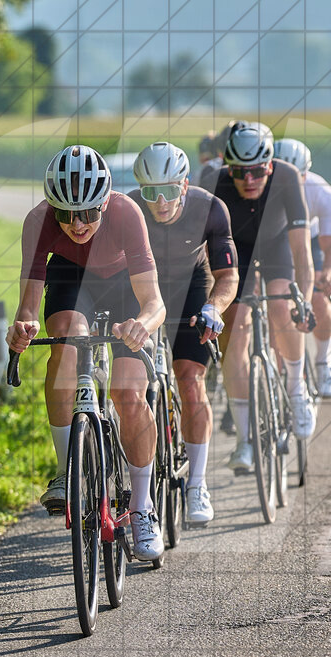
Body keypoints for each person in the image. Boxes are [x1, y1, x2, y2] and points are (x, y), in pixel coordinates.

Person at [6, 144, 167, 561]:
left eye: (89, 213)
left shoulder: (127, 213)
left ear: (106, 202)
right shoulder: (39, 221)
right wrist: (23, 326)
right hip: (71, 280)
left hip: (123, 284)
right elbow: (28, 304)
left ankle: (143, 506)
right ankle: (67, 471)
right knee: (66, 341)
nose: (77, 224)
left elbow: (154, 303)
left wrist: (141, 326)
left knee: (129, 396)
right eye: (66, 214)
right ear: (52, 207)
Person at [129, 141, 238, 525]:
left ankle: (197, 483)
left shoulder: (211, 208)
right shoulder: (126, 210)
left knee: (191, 380)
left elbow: (227, 276)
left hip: (190, 287)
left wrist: (212, 308)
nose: (161, 202)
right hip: (141, 292)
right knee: (130, 390)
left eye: (170, 191)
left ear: (186, 186)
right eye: (150, 193)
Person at [208, 122, 316, 473]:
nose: (249, 179)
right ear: (229, 166)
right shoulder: (215, 183)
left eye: (257, 171)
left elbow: (302, 255)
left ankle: (297, 389)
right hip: (235, 255)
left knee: (282, 302)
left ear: (270, 165)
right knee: (233, 339)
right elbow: (206, 257)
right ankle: (244, 440)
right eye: (240, 172)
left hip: (276, 246)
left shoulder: (285, 177)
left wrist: (306, 301)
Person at [273, 138, 331, 398]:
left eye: (296, 176)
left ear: (306, 172)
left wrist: (329, 274)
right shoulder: (260, 188)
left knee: (317, 296)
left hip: (309, 240)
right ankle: (283, 374)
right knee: (274, 305)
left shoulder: (321, 193)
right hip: (275, 239)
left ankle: (323, 360)